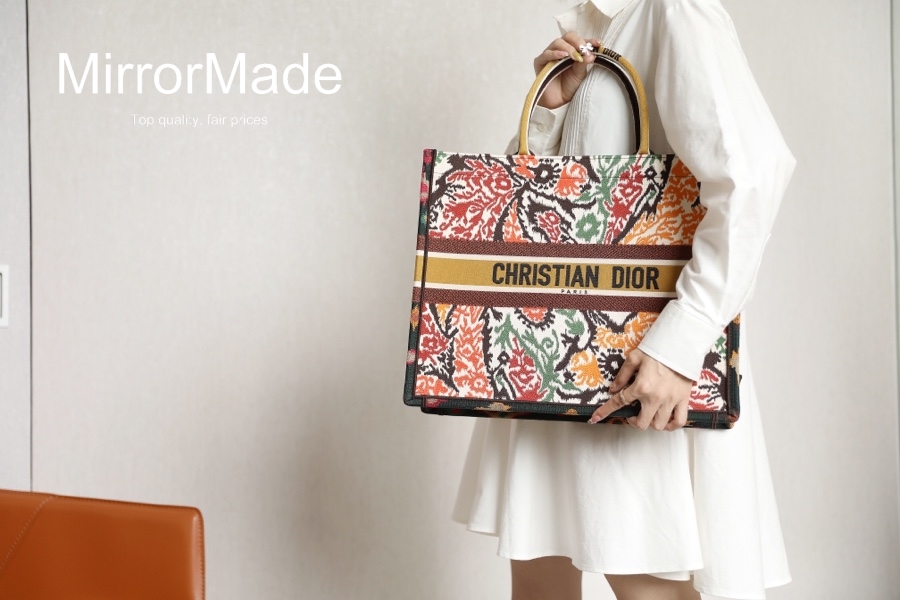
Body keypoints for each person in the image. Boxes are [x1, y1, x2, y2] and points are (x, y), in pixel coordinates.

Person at [451, 1, 796, 599]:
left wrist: (679, 345)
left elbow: (752, 175)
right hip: (554, 349)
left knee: (645, 580)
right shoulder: (596, 21)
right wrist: (549, 112)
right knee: (538, 583)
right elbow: (542, 208)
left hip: (634, 364)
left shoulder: (673, 10)